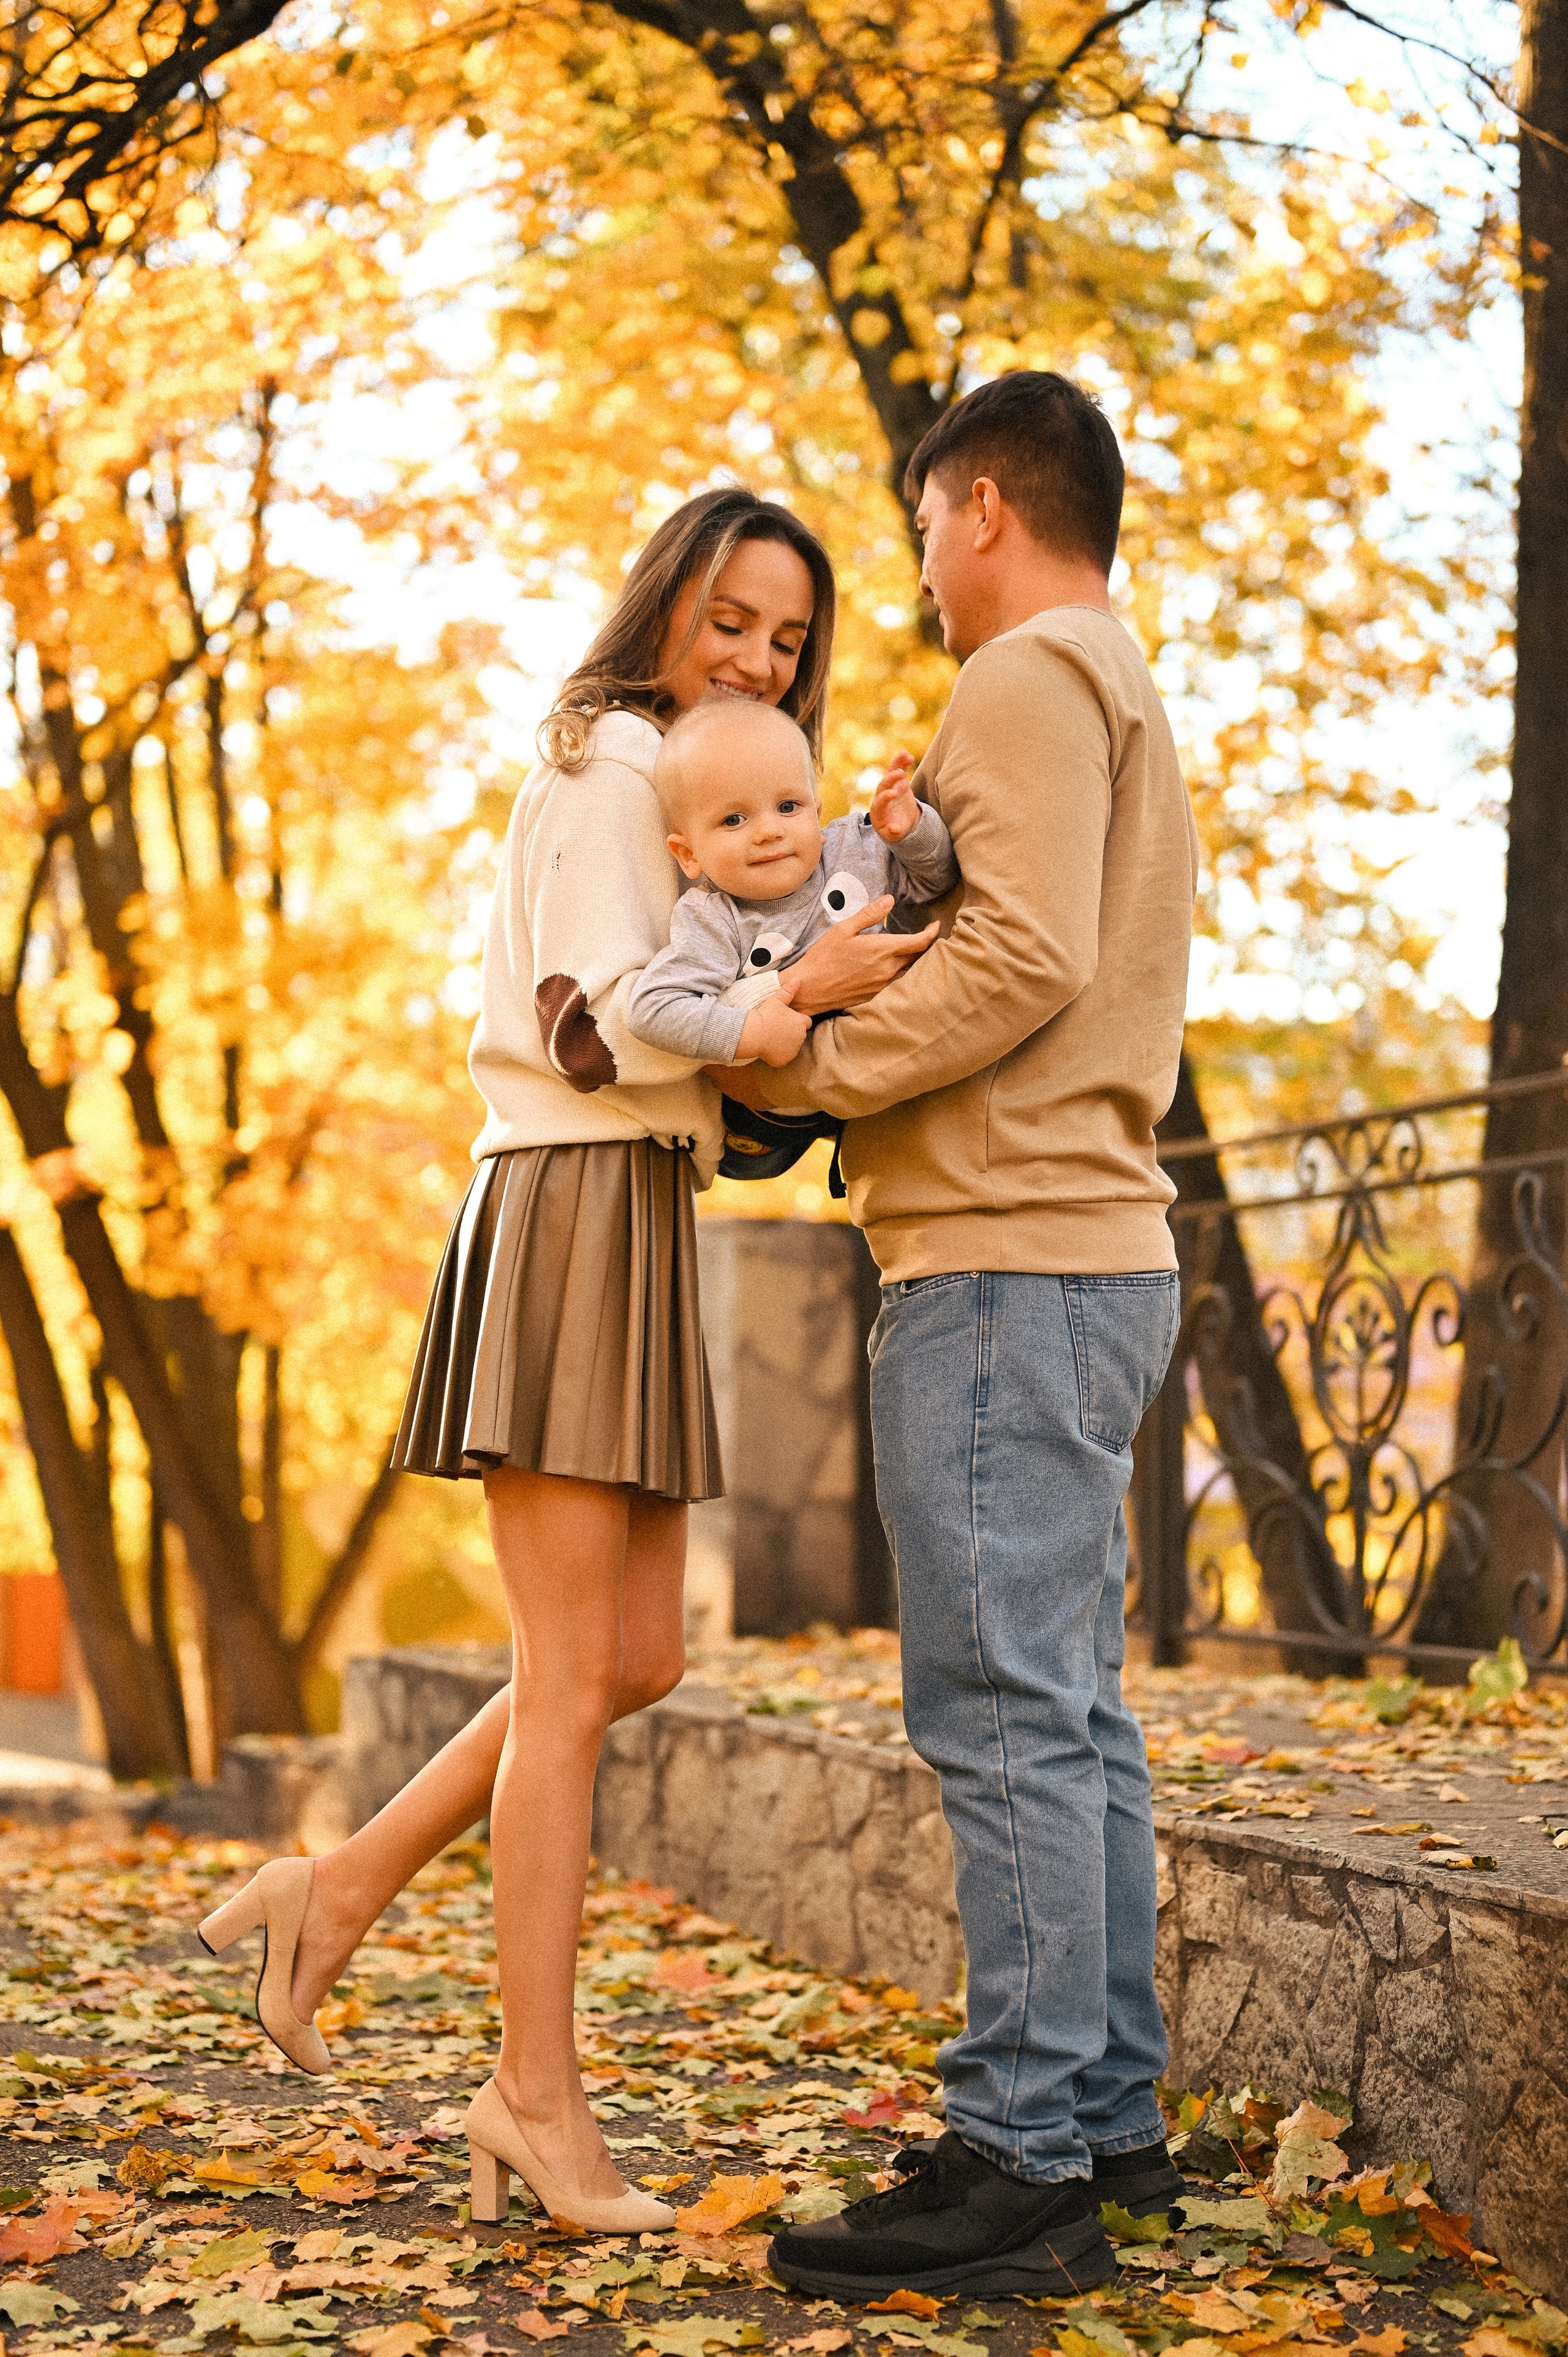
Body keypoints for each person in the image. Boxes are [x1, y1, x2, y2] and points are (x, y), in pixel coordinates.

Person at [195, 485, 934, 2229]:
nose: (755, 652)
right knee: (569, 1678)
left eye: (787, 636)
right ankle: (536, 2099)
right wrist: (797, 1003)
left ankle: (348, 1882)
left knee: (632, 1658)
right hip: (572, 1198)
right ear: (668, 597)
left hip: (631, 1215)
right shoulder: (613, 770)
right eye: (731, 616)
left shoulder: (672, 776)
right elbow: (602, 1032)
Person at [731, 372, 1200, 2301]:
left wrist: (818, 1064)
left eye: (924, 527)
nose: (916, 569)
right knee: (1071, 1709)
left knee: (1002, 1715)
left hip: (1002, 1263)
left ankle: (1015, 2157)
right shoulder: (1114, 677)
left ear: (985, 506)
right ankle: (1102, 2119)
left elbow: (1023, 961)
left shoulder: (1019, 672)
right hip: (1084, 1257)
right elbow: (1031, 929)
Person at [625, 700, 957, 1069]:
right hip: (810, 1089)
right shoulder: (714, 920)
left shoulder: (856, 850)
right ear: (689, 854)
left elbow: (937, 881)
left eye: (787, 807)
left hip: (926, 1043)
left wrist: (911, 831)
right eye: (734, 819)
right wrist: (758, 1032)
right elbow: (653, 1010)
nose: (770, 831)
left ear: (816, 817)